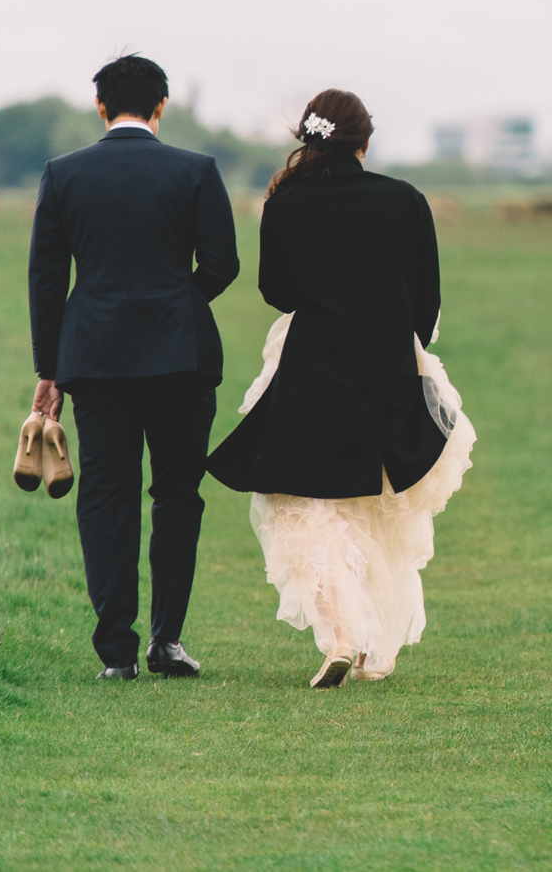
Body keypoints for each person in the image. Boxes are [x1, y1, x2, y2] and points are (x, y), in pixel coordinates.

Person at [205, 89, 473, 688]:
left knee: (299, 499)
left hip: (314, 365)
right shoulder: (406, 201)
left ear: (309, 137)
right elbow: (425, 304)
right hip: (387, 366)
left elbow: (278, 292)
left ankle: (344, 636)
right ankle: (378, 645)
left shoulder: (285, 203)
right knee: (381, 503)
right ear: (365, 142)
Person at [28, 53, 239, 681]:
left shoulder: (63, 174)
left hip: (93, 361)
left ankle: (116, 653)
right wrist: (177, 300)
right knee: (177, 495)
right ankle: (166, 641)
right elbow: (222, 265)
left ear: (100, 106)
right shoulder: (196, 170)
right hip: (181, 359)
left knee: (106, 497)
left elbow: (45, 277)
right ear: (161, 106)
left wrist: (49, 368)